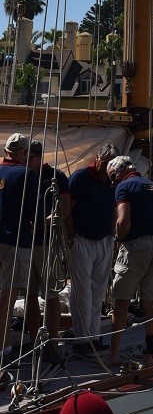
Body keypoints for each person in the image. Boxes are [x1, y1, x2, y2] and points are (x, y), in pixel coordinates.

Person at [107, 155, 153, 367]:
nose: (112, 182)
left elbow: (123, 221)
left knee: (120, 302)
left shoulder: (124, 187)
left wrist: (120, 239)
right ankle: (150, 357)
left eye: (112, 177)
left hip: (135, 248)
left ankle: (113, 355)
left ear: (120, 171)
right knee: (151, 305)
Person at [66, 143, 119, 355]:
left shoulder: (112, 183)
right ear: (98, 159)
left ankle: (94, 337)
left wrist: (112, 237)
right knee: (82, 292)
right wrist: (71, 239)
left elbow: (115, 210)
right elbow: (66, 209)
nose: (105, 169)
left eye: (110, 166)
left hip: (104, 240)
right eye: (104, 164)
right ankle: (82, 340)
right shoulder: (80, 178)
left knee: (98, 292)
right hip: (82, 240)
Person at [26, 141, 70, 364]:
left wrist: (43, 222)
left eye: (30, 156)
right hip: (25, 244)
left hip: (46, 244)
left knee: (51, 294)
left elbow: (64, 208)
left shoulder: (55, 177)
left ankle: (52, 344)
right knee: (30, 295)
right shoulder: (21, 177)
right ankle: (36, 344)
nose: (27, 159)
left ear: (38, 156)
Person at [0, 133, 36, 361]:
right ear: (24, 153)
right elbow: (34, 211)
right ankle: (2, 348)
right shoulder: (26, 175)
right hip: (15, 241)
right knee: (8, 296)